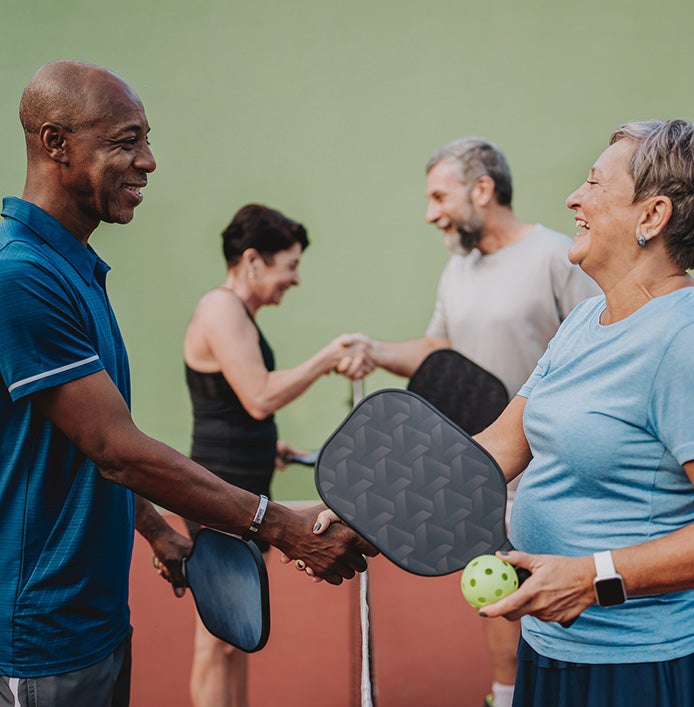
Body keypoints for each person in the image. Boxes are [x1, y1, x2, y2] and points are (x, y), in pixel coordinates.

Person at [0, 60, 374, 707]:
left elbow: (80, 444)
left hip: (95, 619)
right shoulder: (21, 275)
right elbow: (115, 448)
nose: (147, 161)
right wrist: (281, 526)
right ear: (55, 142)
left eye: (146, 139)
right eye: (125, 141)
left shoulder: (76, 269)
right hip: (44, 633)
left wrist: (154, 528)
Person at [468, 119, 694, 706]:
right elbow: (499, 447)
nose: (574, 197)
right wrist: (360, 509)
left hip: (642, 665)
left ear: (652, 217)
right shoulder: (583, 321)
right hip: (551, 648)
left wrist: (591, 576)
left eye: (596, 184)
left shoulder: (687, 342)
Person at [354, 136, 600, 707]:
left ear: (482, 190)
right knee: (497, 599)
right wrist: (375, 349)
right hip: (484, 466)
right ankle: (502, 696)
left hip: (552, 474)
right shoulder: (457, 269)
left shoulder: (554, 255)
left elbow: (596, 340)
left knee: (559, 610)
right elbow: (439, 348)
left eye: (440, 195)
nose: (431, 212)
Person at [182, 203, 371, 707]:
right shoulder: (220, 307)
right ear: (252, 261)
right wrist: (328, 358)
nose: (295, 279)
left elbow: (233, 407)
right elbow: (259, 396)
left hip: (242, 487)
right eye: (289, 265)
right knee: (217, 641)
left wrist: (270, 446)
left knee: (234, 636)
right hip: (219, 490)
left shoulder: (237, 313)